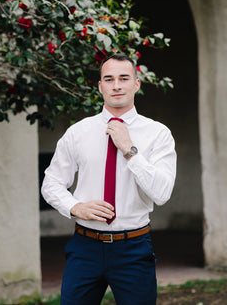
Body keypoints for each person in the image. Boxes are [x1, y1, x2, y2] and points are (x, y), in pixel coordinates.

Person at [41, 53, 177, 305]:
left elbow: (162, 192)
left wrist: (130, 150)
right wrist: (75, 206)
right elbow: (51, 183)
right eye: (109, 79)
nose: (116, 85)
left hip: (133, 249)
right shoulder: (78, 132)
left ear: (136, 83)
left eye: (124, 78)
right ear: (100, 86)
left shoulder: (158, 134)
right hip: (85, 246)